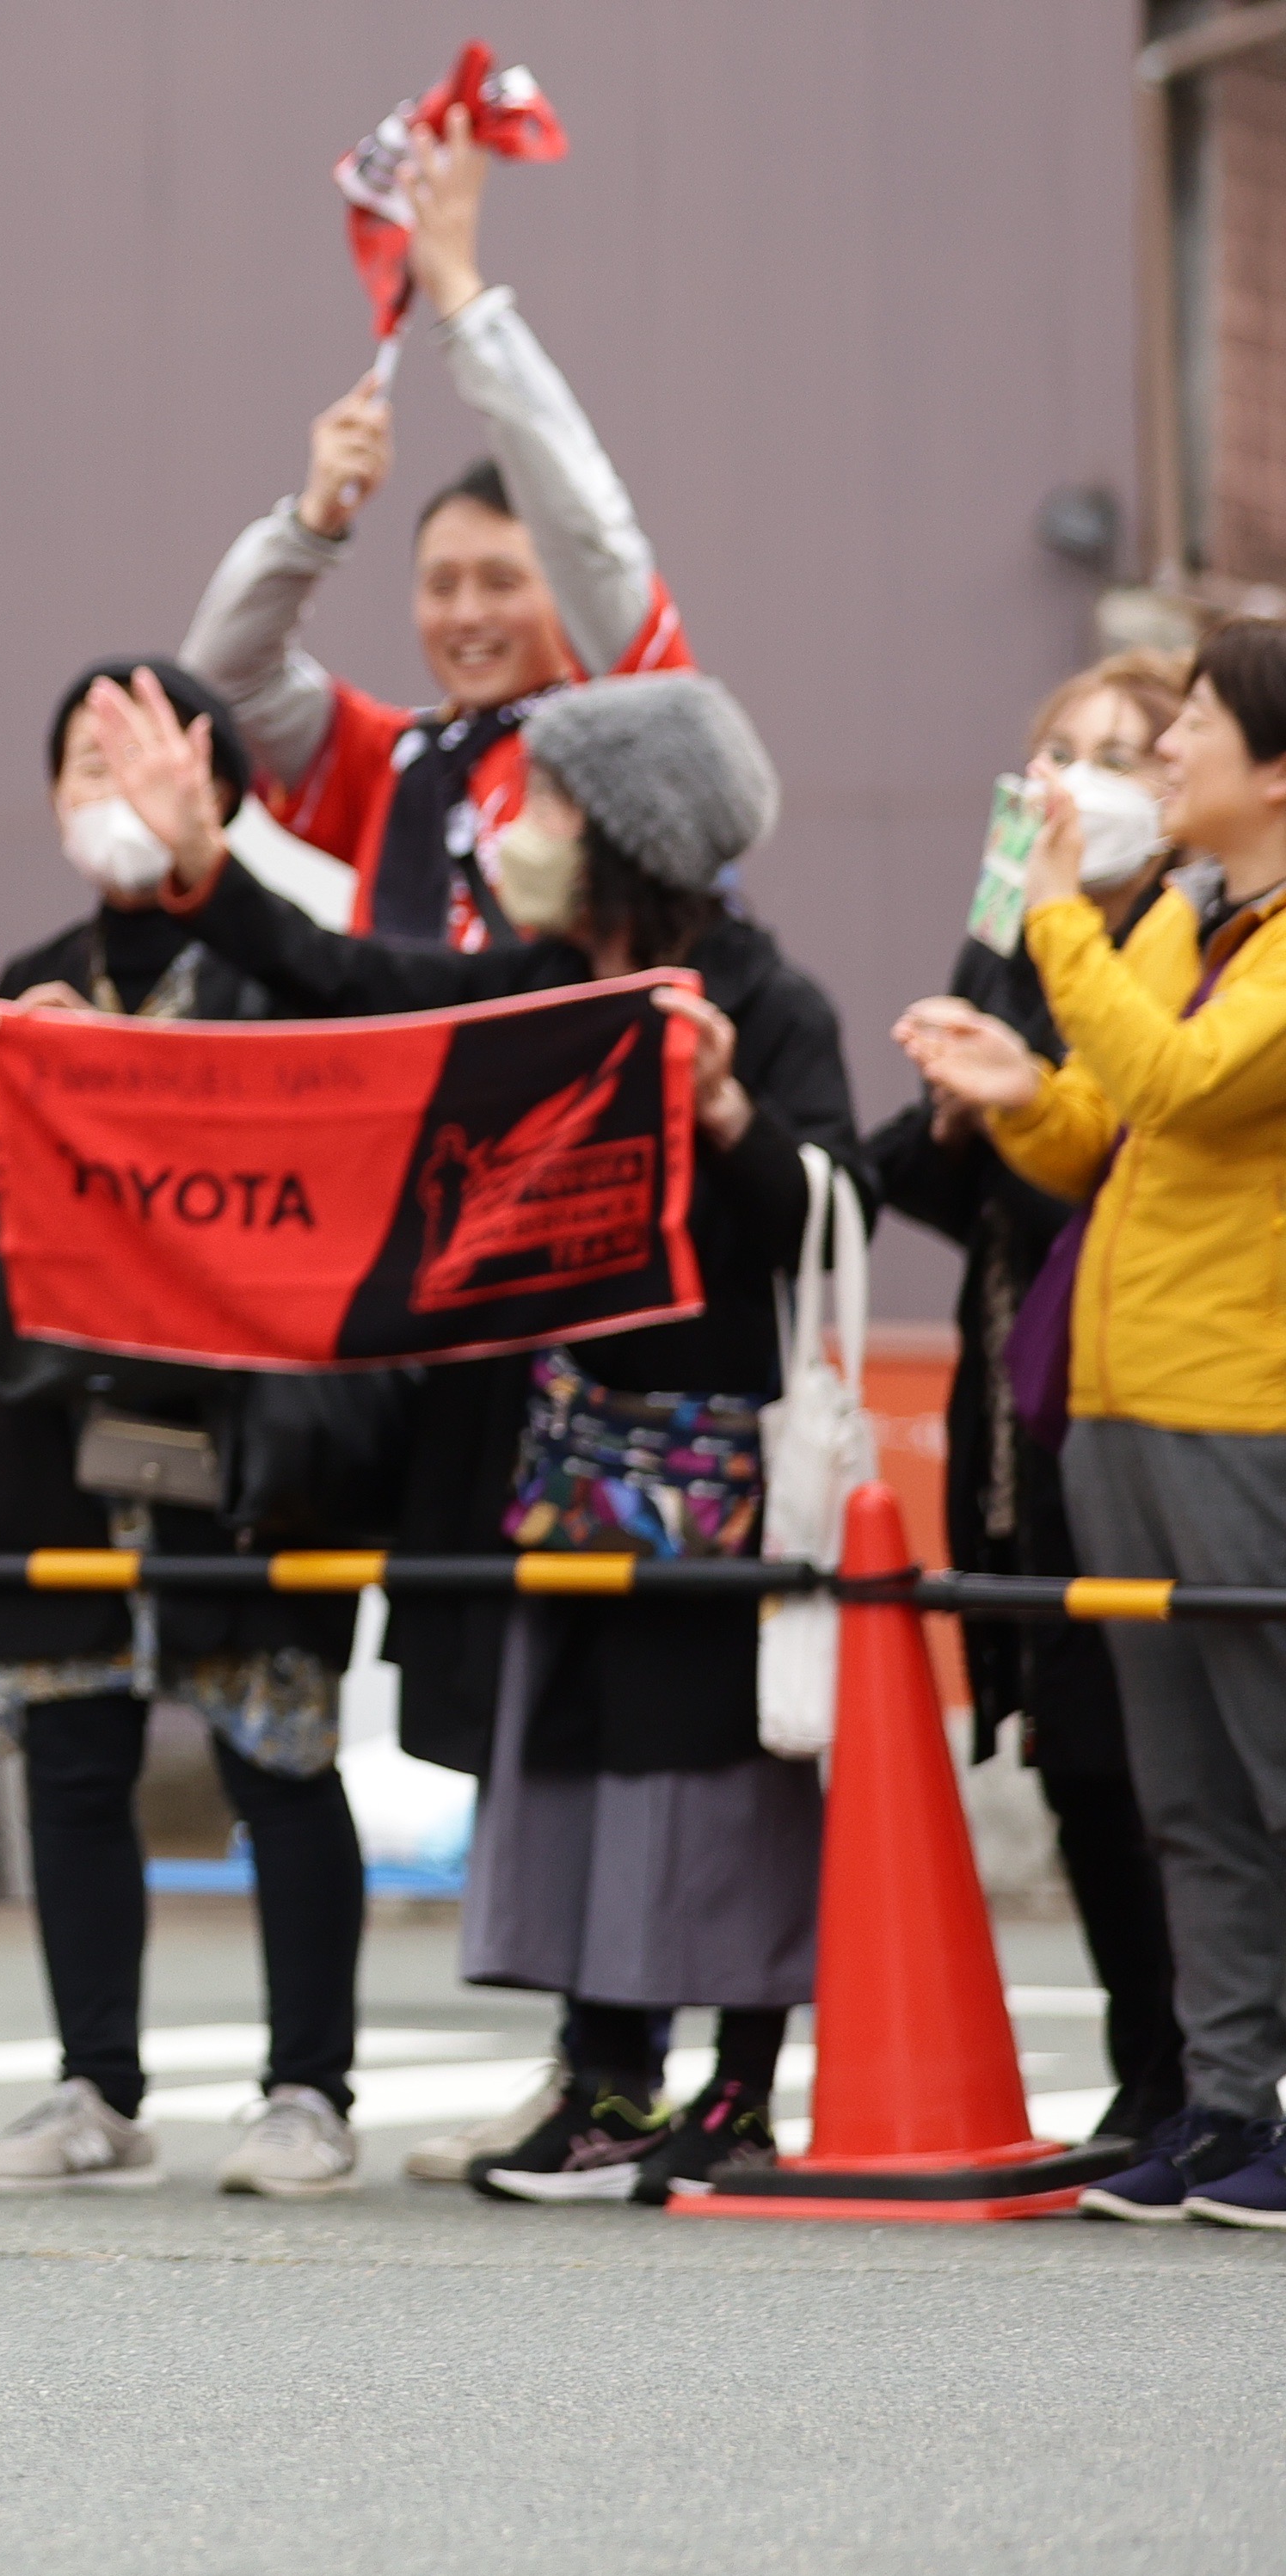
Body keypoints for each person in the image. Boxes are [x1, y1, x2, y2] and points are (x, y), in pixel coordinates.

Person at [101, 663, 850, 2201]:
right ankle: (604, 2078)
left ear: (637, 831)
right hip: (552, 1464)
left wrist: (728, 1119)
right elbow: (345, 980)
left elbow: (829, 1214)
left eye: (554, 801)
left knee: (713, 1779)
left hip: (708, 1476)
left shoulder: (770, 1007)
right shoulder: (537, 985)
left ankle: (739, 2090)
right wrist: (202, 865)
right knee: (574, 1766)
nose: (518, 824)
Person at [0, 661, 376, 2204]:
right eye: (80, 768)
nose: (104, 798)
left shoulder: (278, 982)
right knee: (72, 1759)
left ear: (216, 792)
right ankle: (96, 2084)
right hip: (58, 1442)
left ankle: (310, 2087)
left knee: (278, 1760)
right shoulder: (26, 986)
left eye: (141, 766)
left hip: (255, 1447)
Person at [908, 618, 1286, 2225]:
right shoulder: (1193, 922)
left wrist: (1057, 927)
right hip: (1121, 1400)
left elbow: (1189, 1083)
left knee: (1273, 1765)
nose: (1172, 753)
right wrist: (1020, 1089)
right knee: (1185, 1790)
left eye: (1191, 726)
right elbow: (1110, 1131)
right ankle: (1220, 2105)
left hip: (1239, 1405)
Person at [861, 650, 1190, 2158]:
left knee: (1171, 1750)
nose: (1088, 780)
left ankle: (1213, 2072)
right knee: (1076, 1747)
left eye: (1126, 750)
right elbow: (955, 1196)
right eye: (1063, 752)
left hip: (1148, 1386)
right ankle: (1152, 2071)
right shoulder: (1005, 947)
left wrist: (1025, 1113)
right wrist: (942, 1125)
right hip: (1019, 1405)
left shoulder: (1188, 953)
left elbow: (1137, 1177)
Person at [181, 114, 696, 951]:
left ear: (561, 591)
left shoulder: (629, 728)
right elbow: (220, 687)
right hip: (394, 1082)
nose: (466, 614)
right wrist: (313, 524)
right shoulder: (393, 764)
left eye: (501, 581)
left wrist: (461, 300)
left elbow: (588, 530)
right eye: (440, 584)